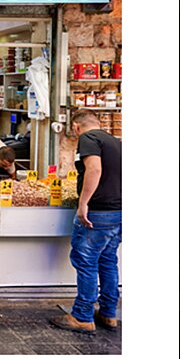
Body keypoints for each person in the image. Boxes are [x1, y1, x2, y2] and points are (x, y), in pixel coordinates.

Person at [50, 110, 122, 333]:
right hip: (118, 210)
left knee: (86, 261)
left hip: (97, 212)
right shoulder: (115, 141)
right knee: (108, 260)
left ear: (76, 127)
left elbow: (94, 169)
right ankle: (109, 314)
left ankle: (82, 316)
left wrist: (83, 204)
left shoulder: (88, 139)